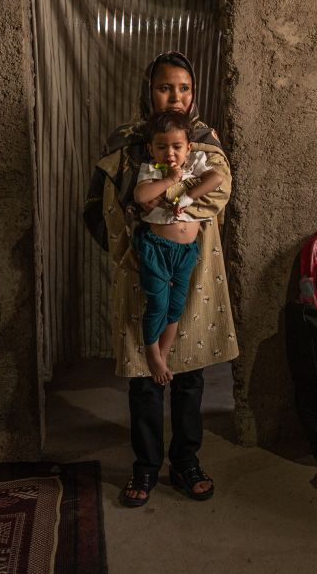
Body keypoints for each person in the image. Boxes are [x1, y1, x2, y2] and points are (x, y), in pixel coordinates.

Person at [84, 52, 237, 509]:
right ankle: (146, 465)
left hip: (194, 267)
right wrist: (142, 224)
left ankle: (186, 461)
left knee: (190, 371)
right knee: (144, 372)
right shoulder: (129, 141)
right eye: (165, 87)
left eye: (184, 88)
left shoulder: (204, 142)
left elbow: (217, 193)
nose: (175, 97)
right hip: (142, 262)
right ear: (148, 91)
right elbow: (111, 203)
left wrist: (164, 196)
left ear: (194, 93)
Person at [132, 109, 223, 385]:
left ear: (189, 147)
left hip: (186, 252)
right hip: (156, 248)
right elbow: (141, 195)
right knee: (158, 303)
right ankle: (152, 353)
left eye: (177, 146)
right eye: (162, 147)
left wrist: (188, 196)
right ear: (151, 149)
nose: (169, 153)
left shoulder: (195, 163)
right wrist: (171, 179)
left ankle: (163, 352)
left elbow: (217, 179)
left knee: (176, 306)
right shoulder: (152, 169)